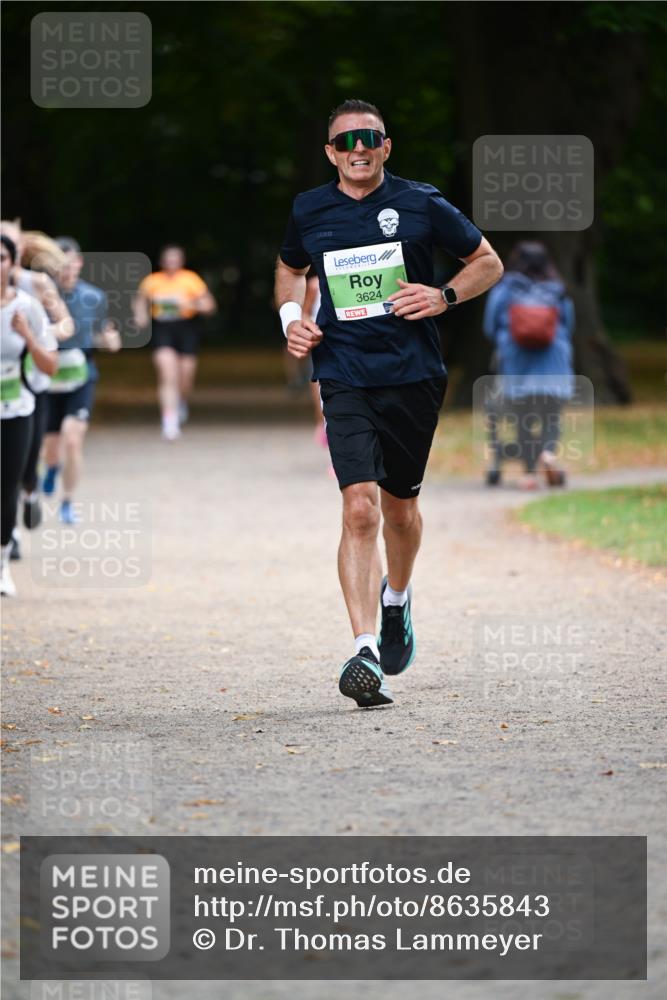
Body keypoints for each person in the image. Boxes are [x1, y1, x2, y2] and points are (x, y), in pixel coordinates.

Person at [274, 99, 503, 708]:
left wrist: (445, 294)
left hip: (413, 375)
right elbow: (289, 267)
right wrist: (292, 319)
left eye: (368, 139)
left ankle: (396, 598)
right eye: (345, 141)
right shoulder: (309, 209)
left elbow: (488, 261)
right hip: (343, 373)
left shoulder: (421, 202)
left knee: (400, 511)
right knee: (359, 509)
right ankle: (365, 650)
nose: (357, 149)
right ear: (330, 153)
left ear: (385, 146)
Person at [0, 220, 74, 542]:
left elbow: (66, 324)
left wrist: (38, 336)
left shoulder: (37, 284)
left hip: (31, 383)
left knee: (26, 466)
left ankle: (30, 492)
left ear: (19, 252)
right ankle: (9, 535)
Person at [42, 237, 121, 524]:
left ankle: (67, 501)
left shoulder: (95, 297)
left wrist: (110, 340)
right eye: (59, 265)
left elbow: (102, 333)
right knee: (51, 446)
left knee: (73, 441)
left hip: (81, 375)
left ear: (79, 264)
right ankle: (51, 467)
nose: (65, 270)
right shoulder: (41, 295)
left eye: (70, 263)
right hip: (48, 376)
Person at [483, 241, 575, 489]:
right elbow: (568, 326)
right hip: (553, 361)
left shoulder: (504, 289)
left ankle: (529, 474)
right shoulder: (558, 290)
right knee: (552, 416)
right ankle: (548, 454)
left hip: (517, 360)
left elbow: (490, 326)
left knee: (523, 418)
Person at [1, 235, 57, 596]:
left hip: (17, 408)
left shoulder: (28, 307)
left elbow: (49, 365)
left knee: (6, 488)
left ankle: (2, 564)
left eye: (1, 257)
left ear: (12, 263)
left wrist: (27, 336)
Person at [133, 245, 217, 440]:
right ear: (162, 262)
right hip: (162, 329)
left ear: (181, 261)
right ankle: (169, 422)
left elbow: (210, 306)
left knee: (185, 377)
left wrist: (190, 304)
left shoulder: (191, 280)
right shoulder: (152, 281)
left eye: (175, 259)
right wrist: (141, 316)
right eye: (168, 259)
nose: (171, 263)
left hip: (186, 328)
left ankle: (181, 402)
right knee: (167, 373)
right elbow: (140, 301)